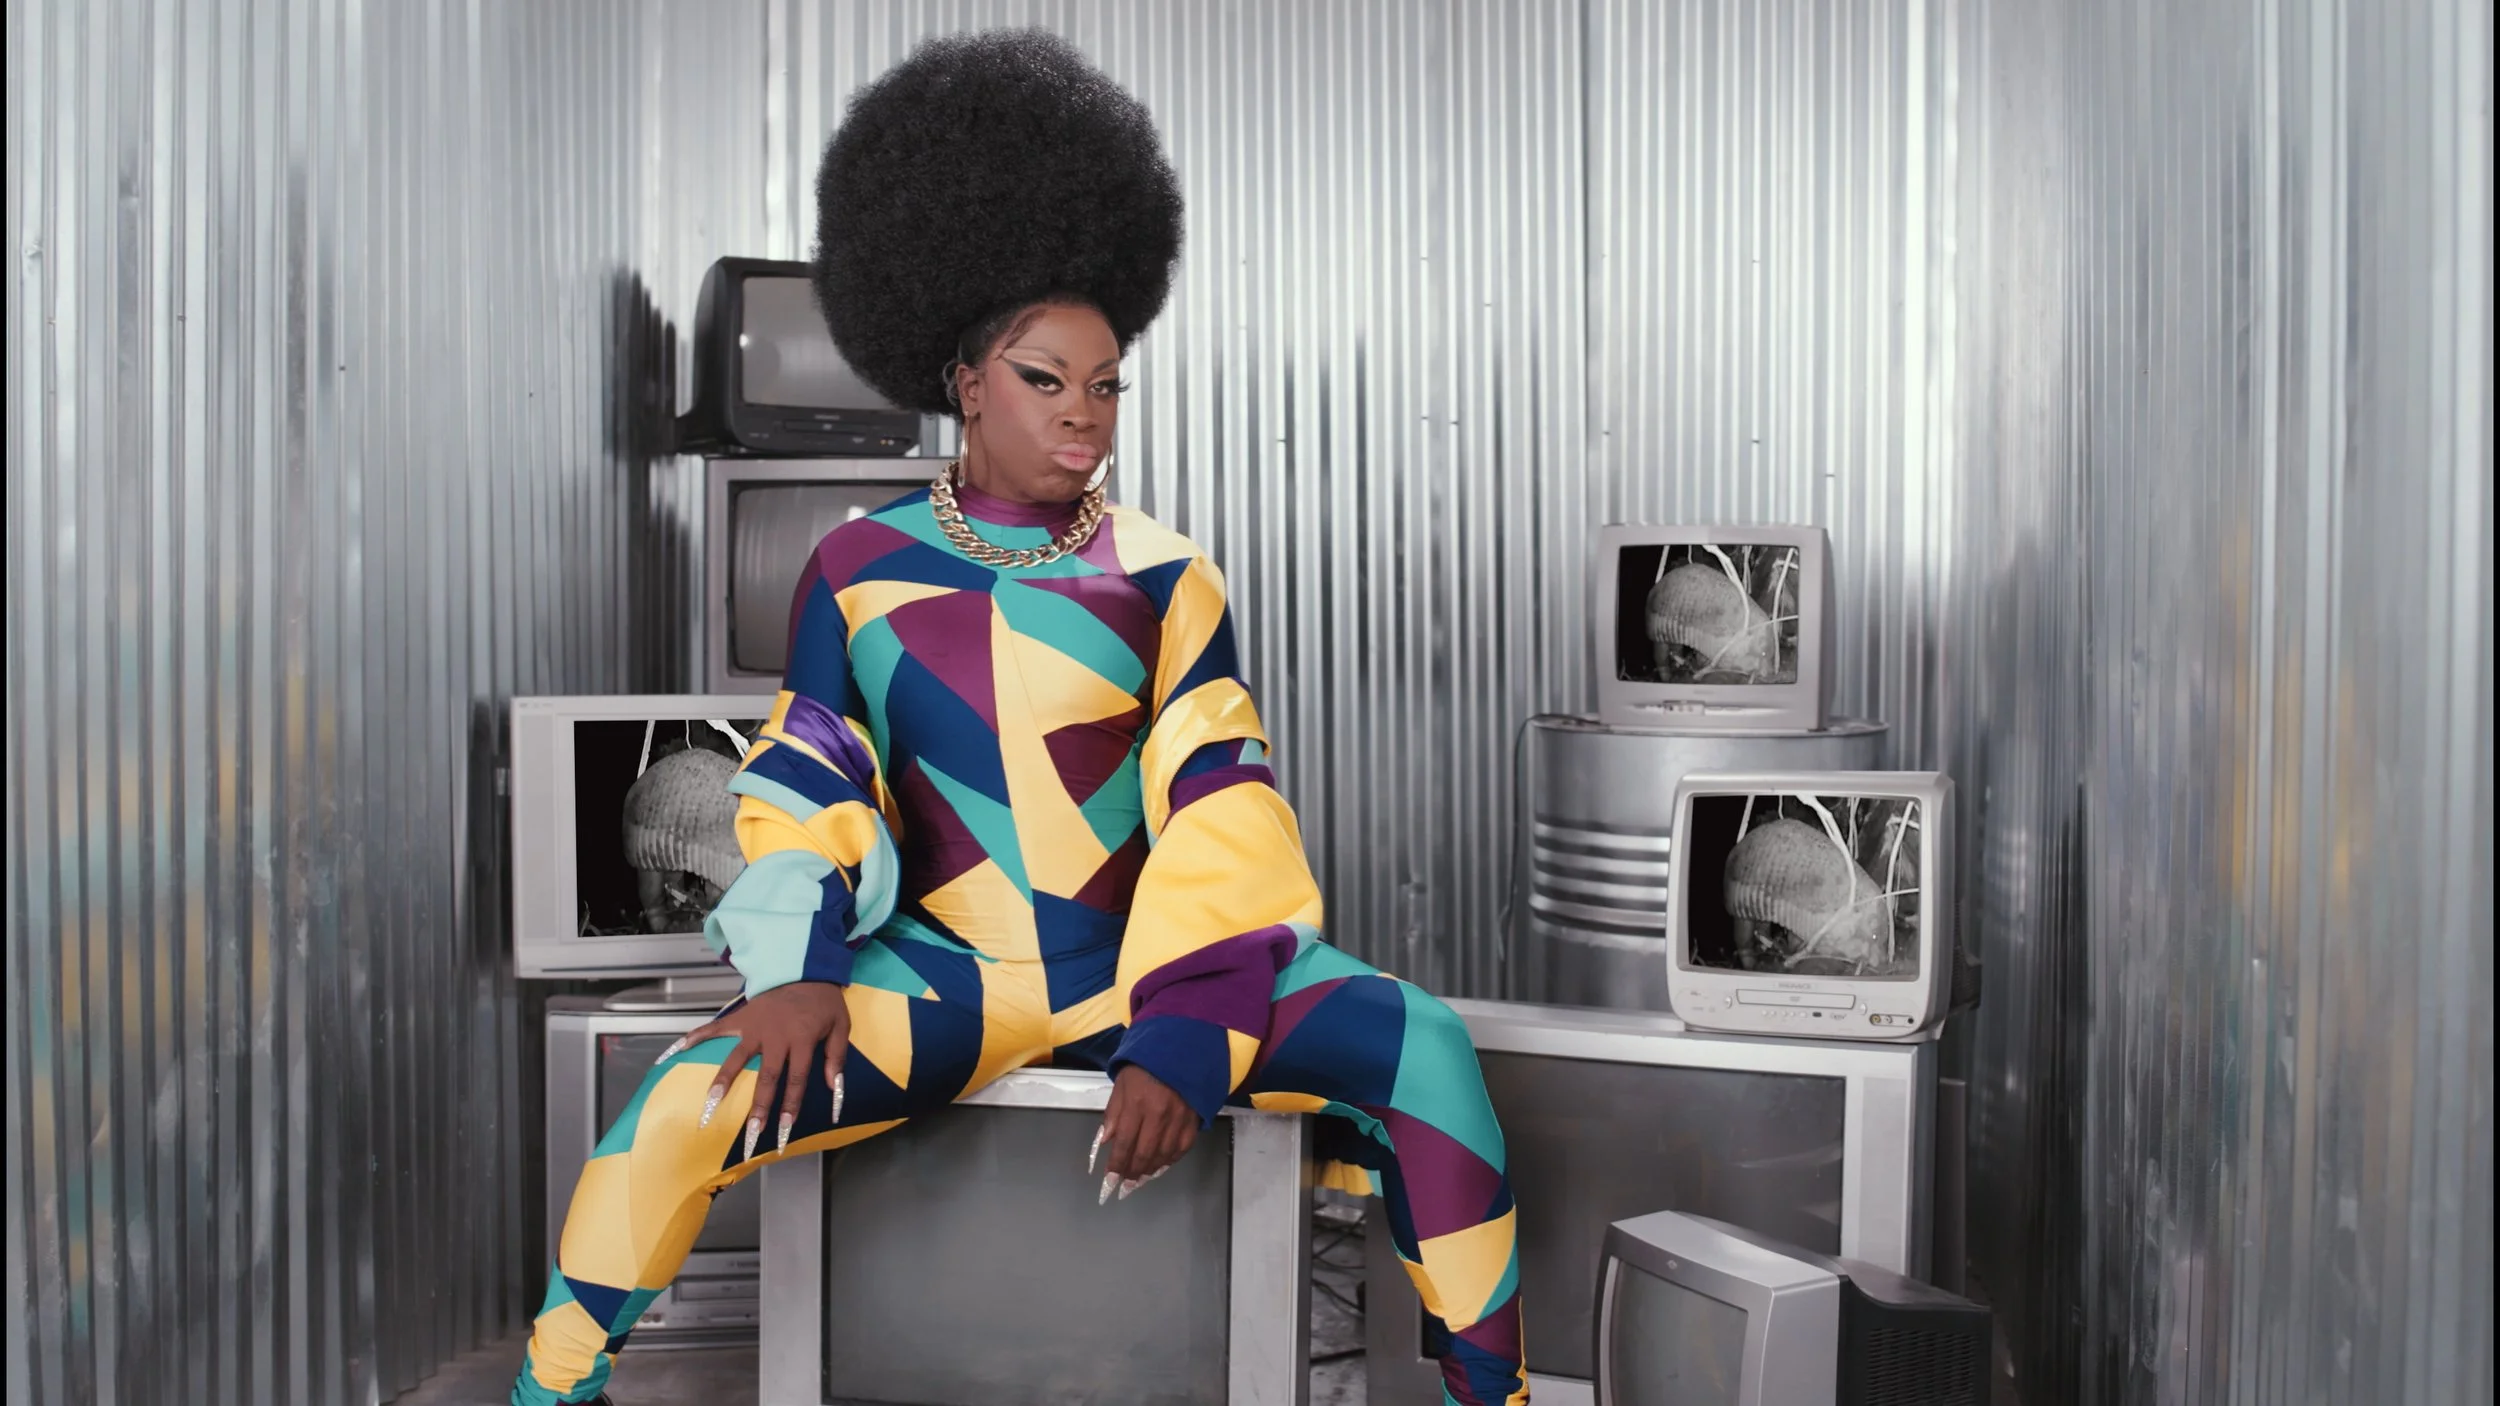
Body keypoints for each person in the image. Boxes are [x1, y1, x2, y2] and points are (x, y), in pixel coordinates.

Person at [511, 30, 1527, 1406]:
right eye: (1049, 380)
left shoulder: (1169, 572)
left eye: (1108, 383)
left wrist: (1182, 1030)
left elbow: (1222, 797)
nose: (1087, 417)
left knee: (1435, 1054)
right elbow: (812, 767)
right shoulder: (857, 570)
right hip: (942, 984)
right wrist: (799, 961)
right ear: (965, 381)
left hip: (1143, 977)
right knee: (667, 1122)